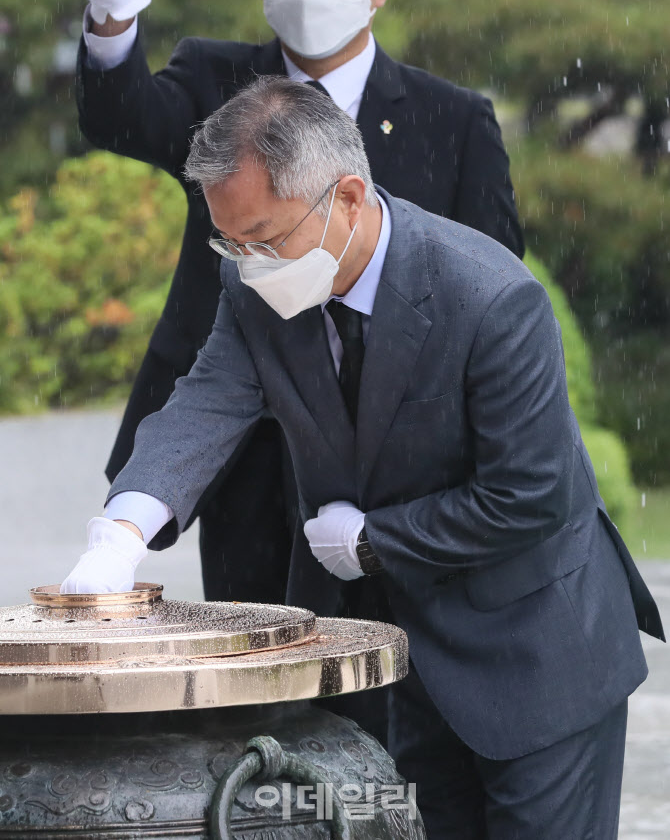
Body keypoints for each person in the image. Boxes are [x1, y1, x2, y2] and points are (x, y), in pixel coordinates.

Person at [61, 78, 663, 839]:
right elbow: (205, 403)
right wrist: (122, 530)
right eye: (230, 241)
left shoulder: (488, 297)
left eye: (266, 239)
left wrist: (373, 539)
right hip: (409, 665)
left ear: (348, 196)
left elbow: (529, 496)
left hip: (537, 652)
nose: (250, 262)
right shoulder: (253, 288)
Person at [67, 0, 524, 609]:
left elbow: (491, 286)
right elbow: (121, 116)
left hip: (387, 445)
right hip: (244, 437)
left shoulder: (453, 119)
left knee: (381, 657)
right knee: (252, 639)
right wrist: (113, 17)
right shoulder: (217, 82)